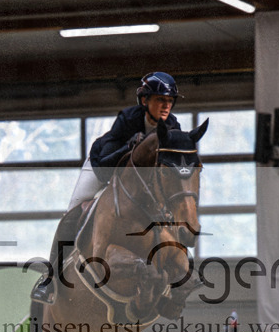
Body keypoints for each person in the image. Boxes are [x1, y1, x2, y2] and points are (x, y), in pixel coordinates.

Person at [31, 72, 184, 304]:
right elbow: (104, 165)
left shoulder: (173, 126)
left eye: (170, 101)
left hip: (139, 181)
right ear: (145, 101)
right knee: (72, 213)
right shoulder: (128, 119)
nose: (166, 106)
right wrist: (129, 149)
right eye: (160, 100)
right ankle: (49, 278)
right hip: (102, 166)